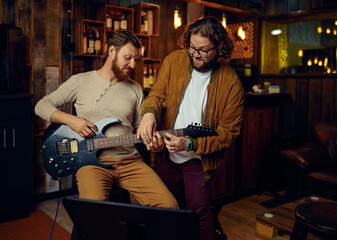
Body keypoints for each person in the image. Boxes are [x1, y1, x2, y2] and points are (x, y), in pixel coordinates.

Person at [35, 30, 178, 210]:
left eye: (135, 60)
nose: (132, 64)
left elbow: (141, 128)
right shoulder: (80, 81)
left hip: (130, 161)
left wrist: (155, 145)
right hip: (91, 163)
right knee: (95, 212)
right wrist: (72, 121)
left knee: (170, 206)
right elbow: (41, 106)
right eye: (128, 58)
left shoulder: (135, 89)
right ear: (112, 51)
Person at [137, 17, 244, 240]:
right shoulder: (174, 61)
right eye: (192, 47)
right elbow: (156, 95)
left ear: (219, 48)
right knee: (163, 209)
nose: (196, 55)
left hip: (199, 160)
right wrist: (148, 115)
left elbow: (227, 134)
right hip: (167, 153)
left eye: (204, 50)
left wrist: (190, 144)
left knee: (199, 212)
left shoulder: (231, 82)